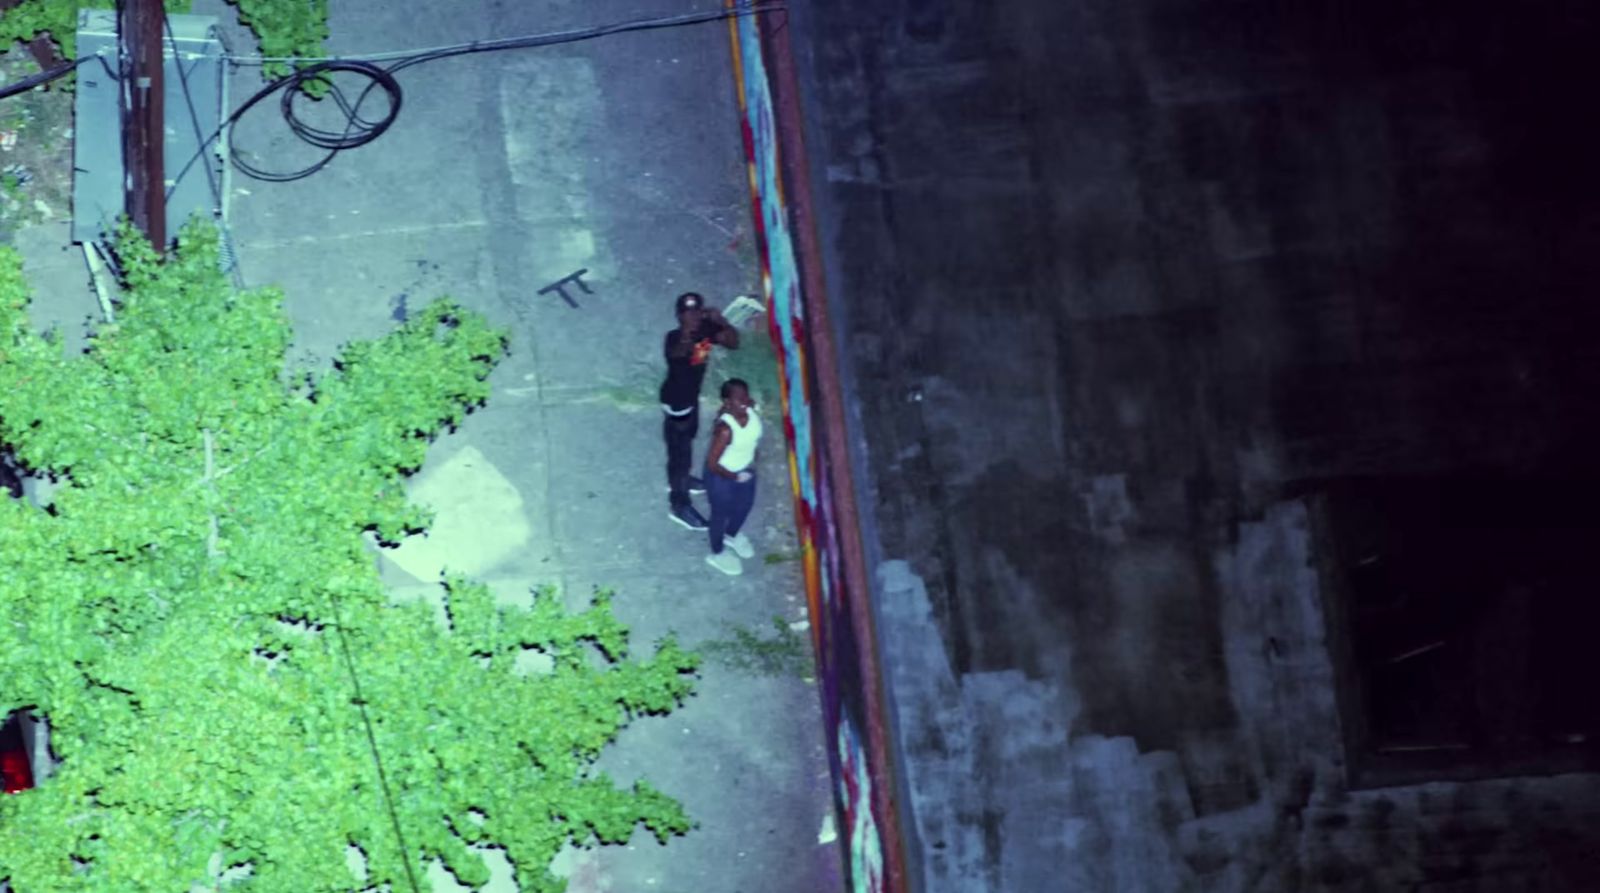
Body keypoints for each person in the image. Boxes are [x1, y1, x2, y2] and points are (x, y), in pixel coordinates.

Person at [660, 291, 739, 530]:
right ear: (679, 316)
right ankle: (679, 504)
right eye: (687, 313)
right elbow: (678, 352)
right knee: (680, 454)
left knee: (689, 441)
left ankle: (684, 481)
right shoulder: (674, 338)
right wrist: (689, 332)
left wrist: (721, 321)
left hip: (691, 400)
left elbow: (733, 342)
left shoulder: (705, 330)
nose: (693, 316)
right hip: (676, 404)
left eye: (696, 311)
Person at [703, 378, 763, 576]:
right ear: (728, 403)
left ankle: (731, 536)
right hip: (722, 477)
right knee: (720, 515)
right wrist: (735, 477)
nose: (745, 400)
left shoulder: (750, 409)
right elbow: (713, 464)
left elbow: (753, 440)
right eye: (739, 399)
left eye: (745, 395)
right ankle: (717, 552)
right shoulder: (725, 430)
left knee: (744, 506)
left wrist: (753, 462)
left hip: (745, 469)